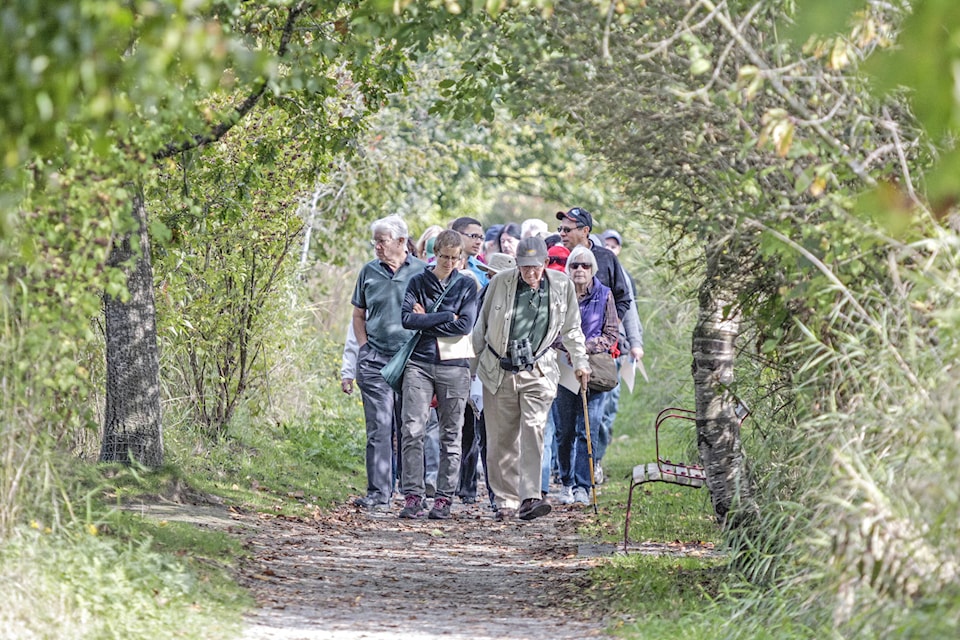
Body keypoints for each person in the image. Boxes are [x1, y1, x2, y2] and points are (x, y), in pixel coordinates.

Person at [472, 236, 590, 522]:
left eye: (535, 266)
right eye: (525, 267)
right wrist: (470, 370)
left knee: (534, 428)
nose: (530, 273)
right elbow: (481, 327)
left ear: (546, 263)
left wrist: (580, 361)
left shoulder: (561, 286)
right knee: (502, 438)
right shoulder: (501, 282)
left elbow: (572, 329)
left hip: (539, 369)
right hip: (499, 368)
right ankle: (505, 500)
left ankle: (530, 496)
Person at [397, 230, 479, 520]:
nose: (449, 263)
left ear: (462, 258)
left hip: (454, 364)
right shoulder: (418, 281)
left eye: (455, 258)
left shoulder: (468, 285)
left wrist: (428, 318)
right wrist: (446, 316)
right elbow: (407, 320)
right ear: (435, 254)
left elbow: (465, 326)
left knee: (451, 434)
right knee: (412, 429)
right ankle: (412, 495)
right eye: (444, 257)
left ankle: (444, 497)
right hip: (419, 362)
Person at [351, 215, 427, 511]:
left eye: (382, 241)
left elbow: (435, 313)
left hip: (413, 359)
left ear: (400, 241)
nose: (377, 247)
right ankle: (379, 493)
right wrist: (363, 348)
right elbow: (359, 314)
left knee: (411, 429)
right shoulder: (368, 272)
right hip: (376, 360)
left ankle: (412, 493)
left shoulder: (422, 272)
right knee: (379, 428)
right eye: (375, 241)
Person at [552, 246, 619, 505]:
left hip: (594, 371)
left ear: (593, 269)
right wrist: (568, 348)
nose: (580, 270)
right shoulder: (559, 293)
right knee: (564, 430)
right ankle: (566, 481)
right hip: (565, 371)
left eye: (585, 266)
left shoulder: (604, 295)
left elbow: (611, 334)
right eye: (575, 265)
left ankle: (583, 484)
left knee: (587, 429)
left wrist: (584, 348)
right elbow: (550, 331)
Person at [594, 228, 645, 483]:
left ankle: (597, 459)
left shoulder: (622, 276)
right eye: (607, 245)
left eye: (615, 246)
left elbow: (631, 309)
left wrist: (636, 342)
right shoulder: (580, 270)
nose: (610, 250)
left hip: (616, 349)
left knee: (607, 408)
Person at [450, 216, 489, 287]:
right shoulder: (437, 266)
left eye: (481, 238)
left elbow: (487, 297)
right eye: (474, 236)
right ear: (457, 235)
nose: (479, 242)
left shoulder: (483, 270)